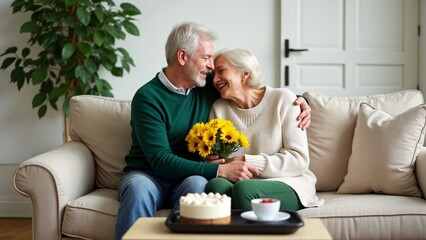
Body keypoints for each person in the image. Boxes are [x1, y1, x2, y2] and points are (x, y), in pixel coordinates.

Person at [115, 22, 312, 239]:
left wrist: (298, 99)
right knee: (138, 188)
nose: (211, 67)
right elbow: (160, 160)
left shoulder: (206, 84)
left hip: (188, 176)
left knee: (199, 185)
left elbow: (250, 87)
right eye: (206, 57)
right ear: (183, 57)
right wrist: (219, 171)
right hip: (148, 174)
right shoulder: (148, 98)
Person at [206, 48, 324, 211]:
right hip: (243, 183)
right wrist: (214, 162)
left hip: (289, 182)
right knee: (215, 186)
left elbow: (299, 160)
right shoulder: (218, 109)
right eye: (214, 74)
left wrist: (247, 161)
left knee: (244, 191)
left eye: (221, 71)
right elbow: (222, 161)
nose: (215, 80)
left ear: (244, 74)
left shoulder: (283, 99)